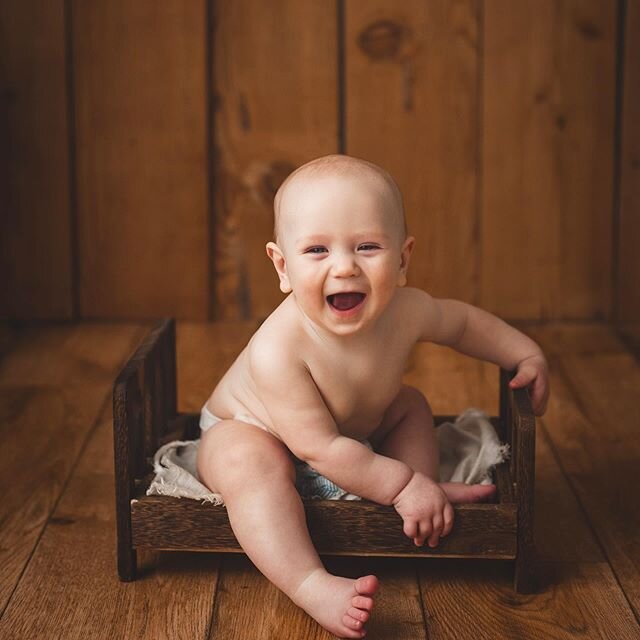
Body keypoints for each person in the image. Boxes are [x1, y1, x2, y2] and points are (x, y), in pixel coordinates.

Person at [196, 154, 550, 638]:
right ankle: (309, 581)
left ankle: (425, 489)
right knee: (250, 465)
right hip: (257, 430)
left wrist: (524, 352)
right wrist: (397, 485)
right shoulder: (277, 350)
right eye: (317, 251)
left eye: (366, 246)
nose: (344, 267)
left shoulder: (406, 311)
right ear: (282, 266)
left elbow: (463, 323)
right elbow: (316, 447)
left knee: (409, 405)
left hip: (346, 434)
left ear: (403, 259)